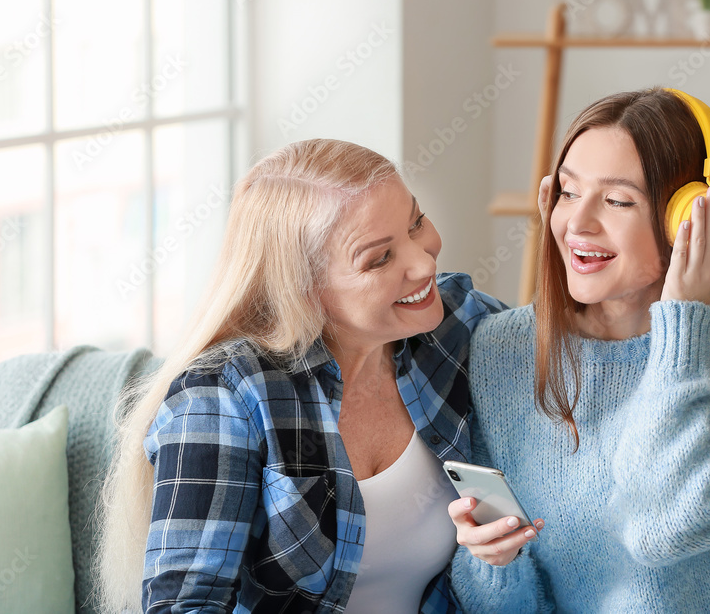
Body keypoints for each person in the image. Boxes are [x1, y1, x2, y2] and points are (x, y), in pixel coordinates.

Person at [96, 139, 507, 613]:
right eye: (379, 258)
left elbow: (585, 345)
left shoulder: (455, 325)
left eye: (415, 223)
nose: (424, 262)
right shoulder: (223, 398)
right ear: (303, 289)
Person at [447, 88, 710, 612]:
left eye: (617, 200)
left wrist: (682, 326)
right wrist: (491, 561)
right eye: (568, 193)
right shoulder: (503, 346)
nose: (577, 223)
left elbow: (662, 531)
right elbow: (501, 607)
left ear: (689, 217)